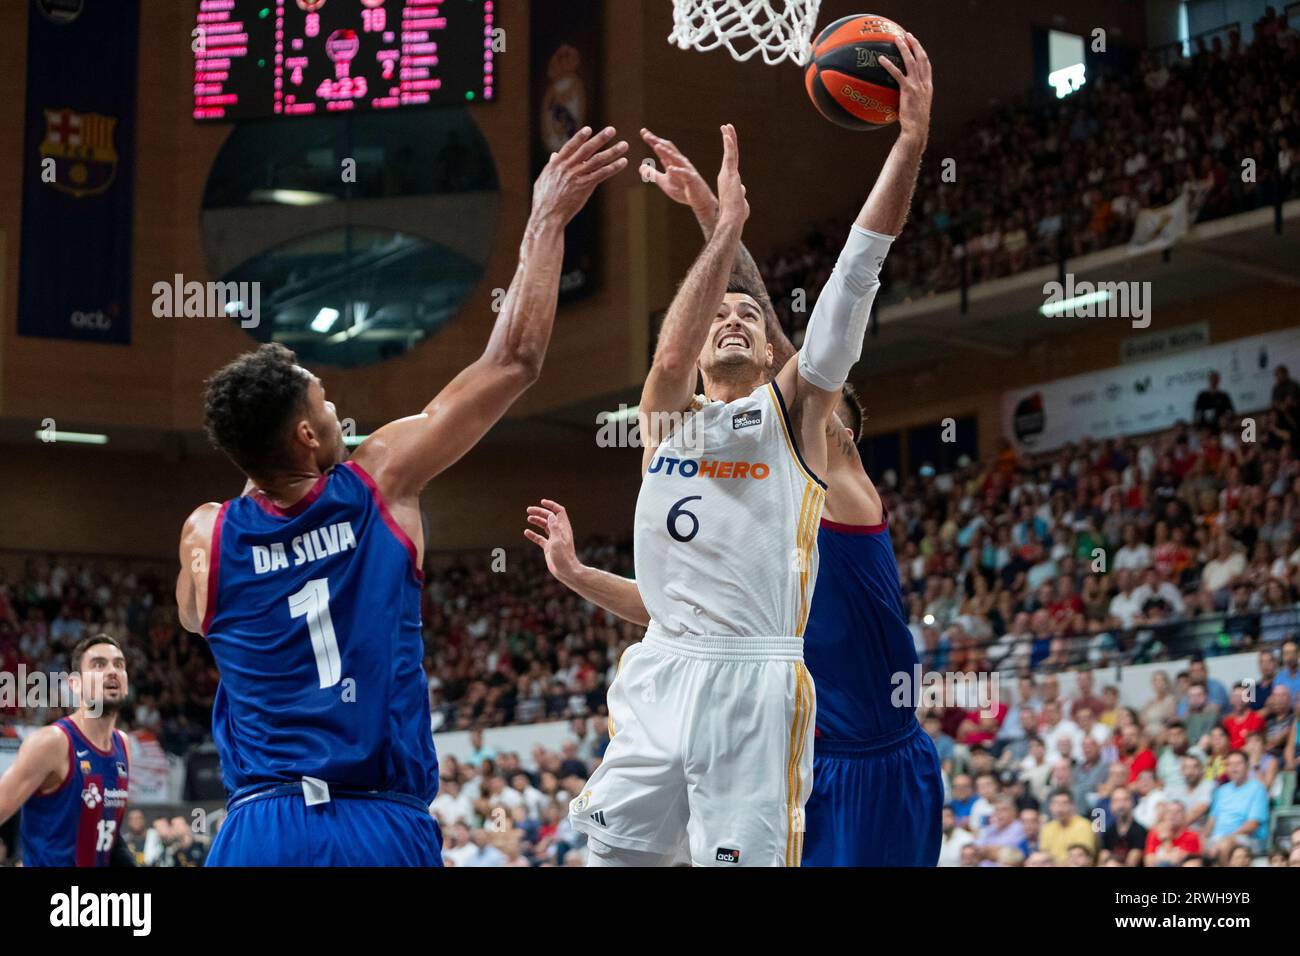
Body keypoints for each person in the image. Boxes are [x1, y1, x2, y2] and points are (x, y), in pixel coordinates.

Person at [528, 45, 939, 866]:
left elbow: (842, 300)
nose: (740, 321)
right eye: (728, 315)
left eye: (753, 320)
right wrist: (576, 577)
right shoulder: (676, 429)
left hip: (863, 753)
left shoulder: (820, 441)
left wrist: (908, 148)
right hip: (745, 714)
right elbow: (677, 609)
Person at [174, 127, 628, 866]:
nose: (337, 413)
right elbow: (514, 359)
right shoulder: (378, 481)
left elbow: (198, 618)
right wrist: (546, 221)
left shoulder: (206, 535)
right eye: (323, 405)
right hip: (376, 824)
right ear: (306, 439)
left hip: (260, 828)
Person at [0, 634, 133, 866]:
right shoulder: (52, 742)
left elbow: (110, 839)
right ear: (75, 683)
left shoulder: (123, 744)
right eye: (99, 664)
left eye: (119, 665)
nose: (112, 671)